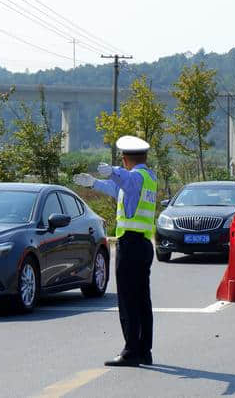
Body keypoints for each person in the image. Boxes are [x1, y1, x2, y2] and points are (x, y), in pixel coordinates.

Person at [73, 135, 157, 367]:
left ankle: (131, 351)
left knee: (128, 300)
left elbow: (124, 179)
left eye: (121, 160)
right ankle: (144, 350)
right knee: (142, 300)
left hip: (129, 245)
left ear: (125, 159)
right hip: (143, 245)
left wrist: (112, 171)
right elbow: (117, 188)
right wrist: (94, 183)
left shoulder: (135, 177)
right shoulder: (149, 177)